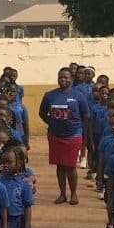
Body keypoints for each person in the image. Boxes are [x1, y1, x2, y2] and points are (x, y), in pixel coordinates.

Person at [39, 66, 90, 205]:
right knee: (60, 166)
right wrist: (52, 122)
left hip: (73, 136)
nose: (63, 80)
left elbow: (86, 115)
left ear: (71, 79)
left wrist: (76, 126)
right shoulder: (50, 95)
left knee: (71, 166)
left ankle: (74, 194)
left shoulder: (78, 96)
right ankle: (62, 194)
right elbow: (42, 113)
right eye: (61, 77)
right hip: (55, 136)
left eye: (66, 77)